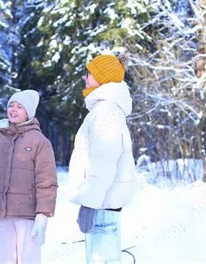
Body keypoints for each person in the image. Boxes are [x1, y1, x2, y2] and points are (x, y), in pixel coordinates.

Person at [0, 89, 58, 263]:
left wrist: (43, 213)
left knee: (28, 259)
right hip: (0, 214)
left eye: (19, 107)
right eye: (11, 105)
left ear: (28, 112)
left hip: (27, 215)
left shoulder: (39, 141)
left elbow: (47, 181)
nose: (13, 110)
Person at [68, 54, 138, 263]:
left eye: (89, 73)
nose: (85, 78)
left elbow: (104, 160)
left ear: (103, 77)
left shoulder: (105, 111)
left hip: (101, 205)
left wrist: (89, 203)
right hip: (104, 202)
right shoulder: (106, 109)